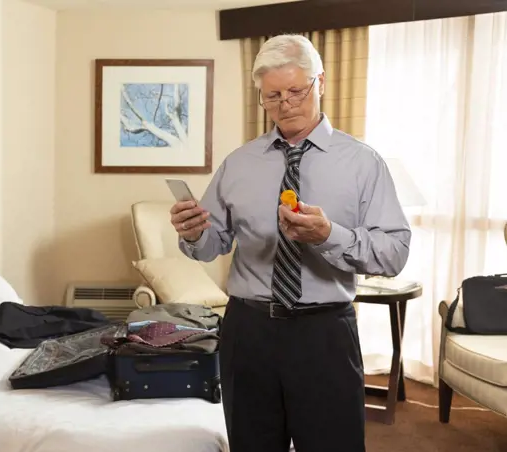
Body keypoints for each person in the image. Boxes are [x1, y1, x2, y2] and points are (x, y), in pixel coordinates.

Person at [171, 34, 411, 452]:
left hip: (324, 335)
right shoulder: (239, 163)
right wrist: (194, 234)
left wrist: (329, 236)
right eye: (272, 96)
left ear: (321, 82)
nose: (286, 104)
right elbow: (214, 243)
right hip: (248, 332)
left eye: (296, 91)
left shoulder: (362, 163)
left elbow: (394, 253)